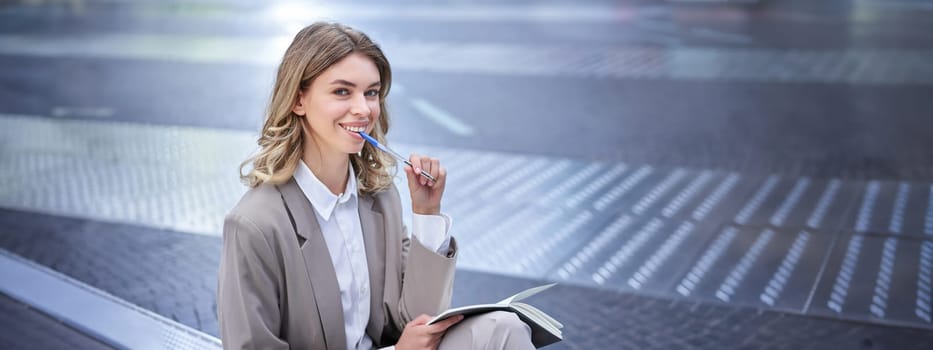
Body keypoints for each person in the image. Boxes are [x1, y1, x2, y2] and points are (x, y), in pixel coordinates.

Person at [217, 22, 535, 350]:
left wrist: (426, 212)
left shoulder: (380, 199)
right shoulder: (254, 226)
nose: (364, 109)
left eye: (371, 92)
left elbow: (419, 319)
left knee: (505, 327)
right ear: (299, 100)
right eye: (342, 91)